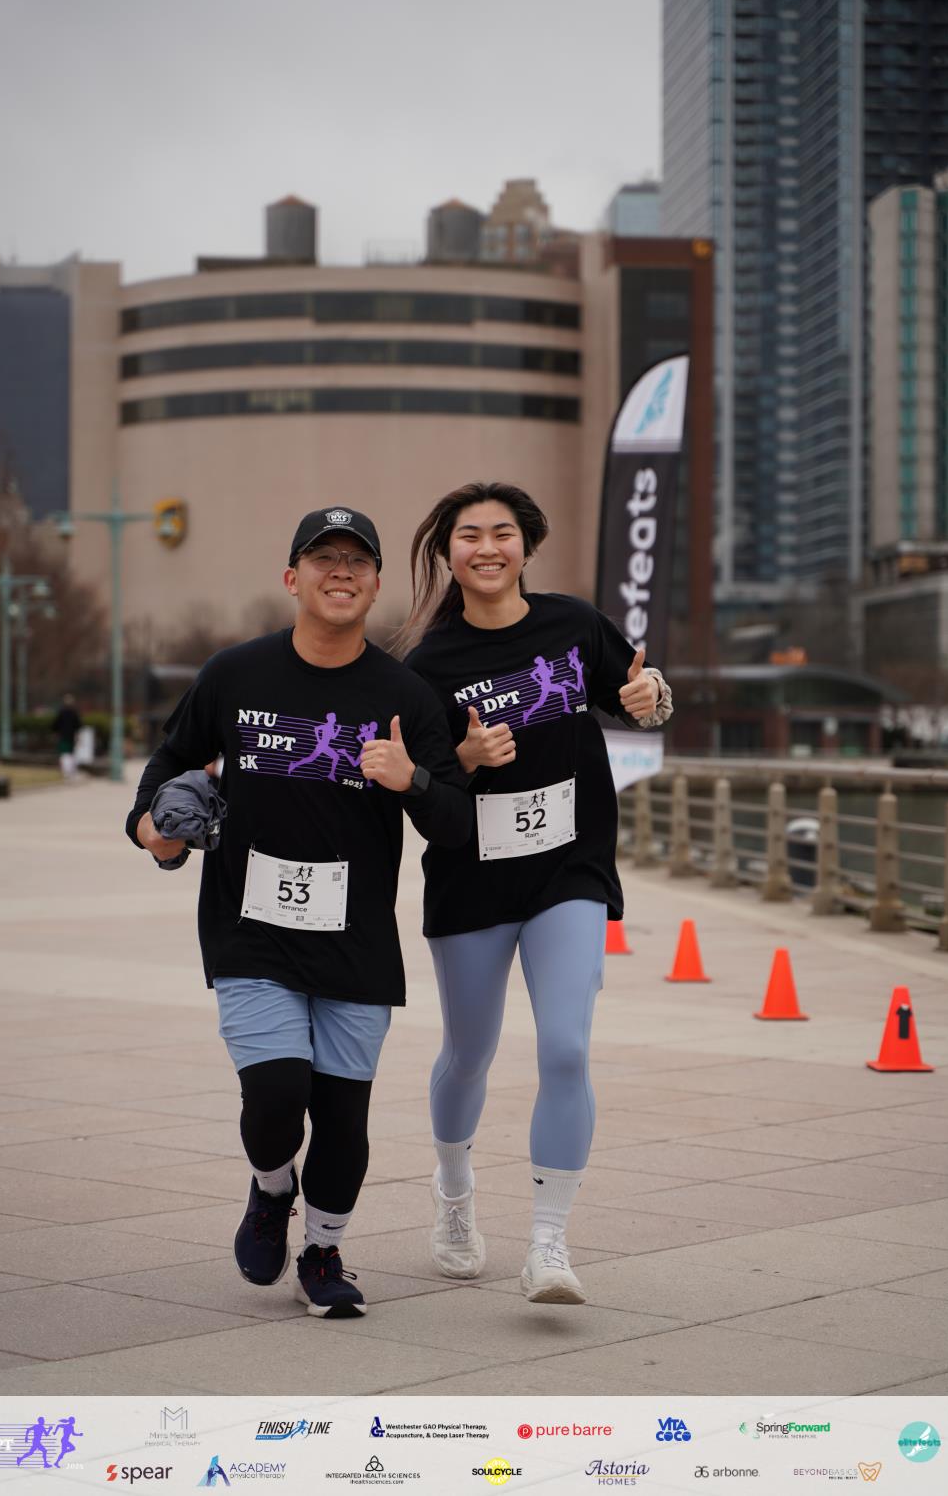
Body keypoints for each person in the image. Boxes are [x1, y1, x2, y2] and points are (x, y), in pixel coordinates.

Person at [126, 507, 471, 1318]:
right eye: (323, 558)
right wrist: (153, 830)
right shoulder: (235, 674)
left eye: (358, 560)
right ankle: (272, 1186)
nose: (340, 571)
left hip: (356, 936)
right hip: (250, 927)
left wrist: (412, 780)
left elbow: (456, 822)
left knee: (343, 1117)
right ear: (292, 577)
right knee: (277, 1093)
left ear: (376, 586)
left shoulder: (404, 695)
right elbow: (169, 763)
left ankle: (322, 1250)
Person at [399, 481, 672, 1305]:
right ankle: (454, 1190)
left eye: (503, 532)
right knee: (469, 1053)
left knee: (565, 1049)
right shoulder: (426, 666)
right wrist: (466, 760)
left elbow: (641, 695)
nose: (488, 547)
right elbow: (421, 791)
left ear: (527, 545)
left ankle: (548, 1242)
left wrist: (651, 698)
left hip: (568, 867)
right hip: (472, 877)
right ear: (447, 553)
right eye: (469, 535)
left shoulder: (572, 625)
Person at [52, 694, 82, 781]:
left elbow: (55, 725)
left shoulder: (61, 712)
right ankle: (70, 773)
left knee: (65, 754)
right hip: (71, 737)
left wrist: (56, 733)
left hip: (63, 736)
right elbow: (79, 726)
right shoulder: (74, 713)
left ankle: (66, 772)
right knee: (70, 755)